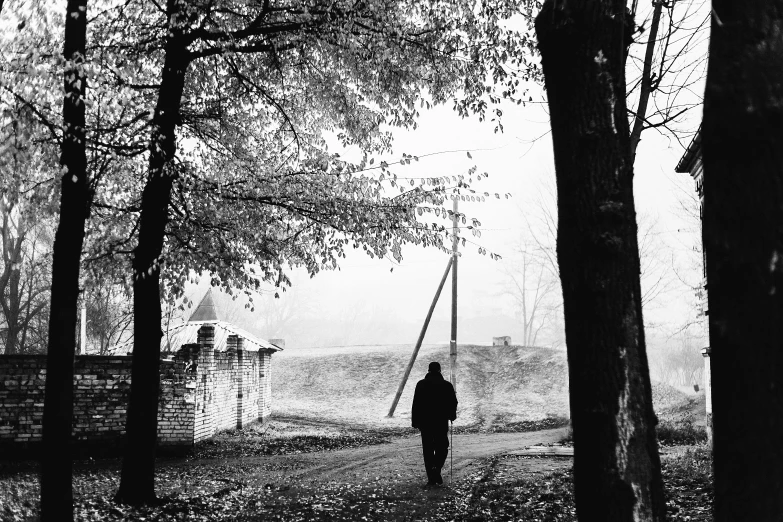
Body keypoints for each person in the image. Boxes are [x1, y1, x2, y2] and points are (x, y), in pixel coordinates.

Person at [411, 361, 458, 486]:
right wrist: (451, 416)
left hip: (425, 423)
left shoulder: (421, 384)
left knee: (428, 449)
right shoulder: (446, 385)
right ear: (439, 370)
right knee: (442, 447)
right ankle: (436, 468)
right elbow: (453, 402)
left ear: (428, 370)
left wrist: (415, 421)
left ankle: (431, 477)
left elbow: (416, 404)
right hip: (440, 422)